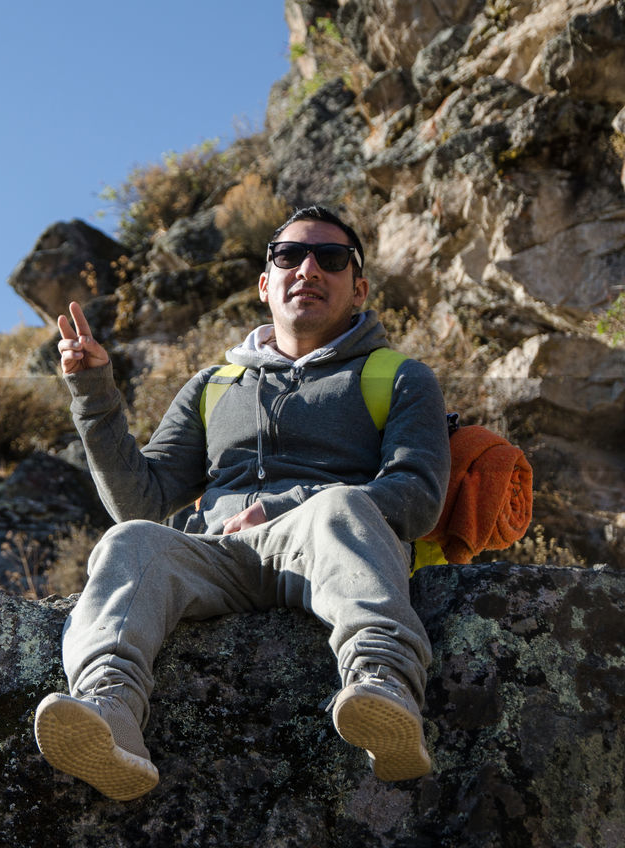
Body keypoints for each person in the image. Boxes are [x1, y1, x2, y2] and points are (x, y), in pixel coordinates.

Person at [33, 205, 450, 801]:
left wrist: (290, 508)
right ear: (265, 284)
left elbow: (417, 496)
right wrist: (94, 395)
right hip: (218, 555)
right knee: (129, 542)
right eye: (288, 256)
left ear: (358, 290)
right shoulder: (213, 384)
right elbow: (141, 502)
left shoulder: (400, 376)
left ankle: (383, 690)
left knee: (342, 511)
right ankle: (111, 713)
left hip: (323, 545)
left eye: (330, 259)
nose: (308, 268)